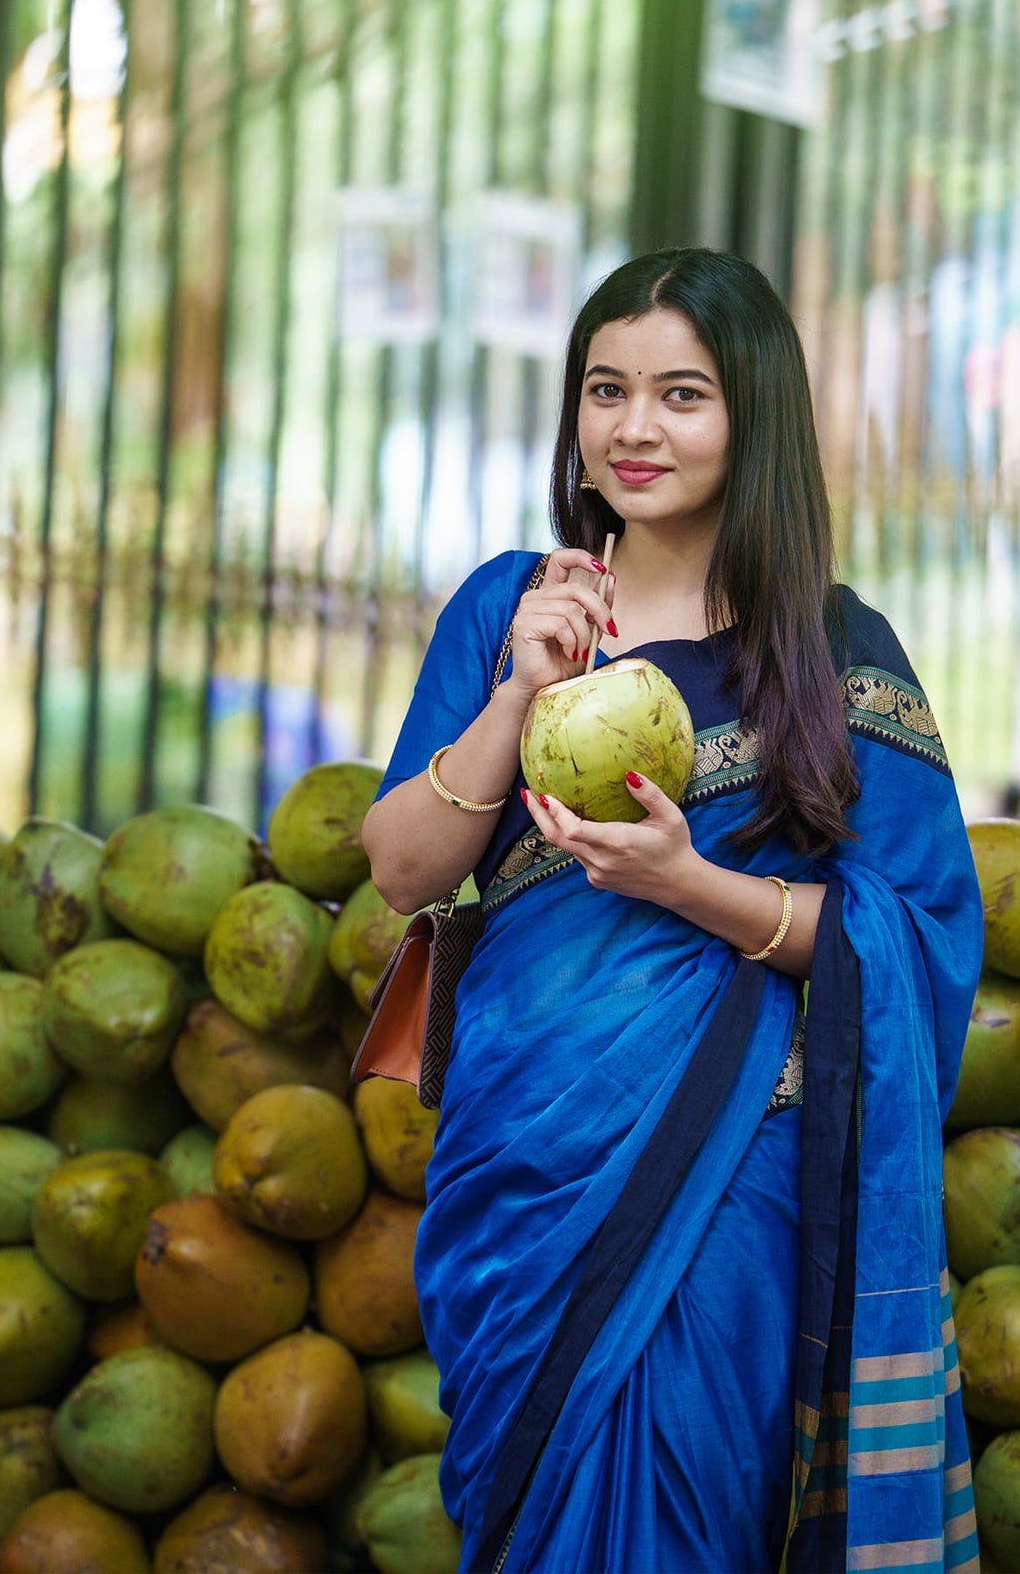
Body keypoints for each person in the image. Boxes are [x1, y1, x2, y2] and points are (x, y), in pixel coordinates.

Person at [361, 247, 983, 1574]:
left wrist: (683, 882)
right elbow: (404, 871)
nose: (633, 429)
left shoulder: (830, 650)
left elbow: (917, 939)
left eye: (681, 395)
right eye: (605, 389)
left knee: (686, 1514)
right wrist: (517, 696)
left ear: (750, 419)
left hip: (726, 1177)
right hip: (517, 1160)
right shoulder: (507, 606)